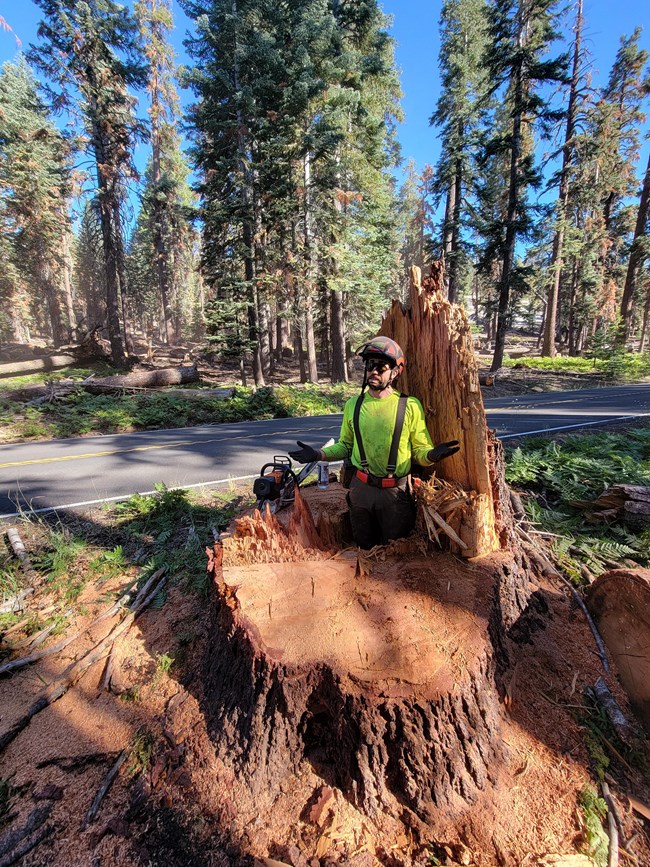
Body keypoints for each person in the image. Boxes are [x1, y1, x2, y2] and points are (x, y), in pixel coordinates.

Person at [289, 336, 460, 548]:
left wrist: (432, 455)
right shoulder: (354, 405)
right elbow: (345, 445)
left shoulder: (409, 406)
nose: (374, 371)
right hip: (361, 491)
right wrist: (317, 455)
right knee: (363, 549)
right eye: (370, 365)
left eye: (381, 366)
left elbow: (420, 451)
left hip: (395, 494)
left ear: (395, 372)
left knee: (395, 553)